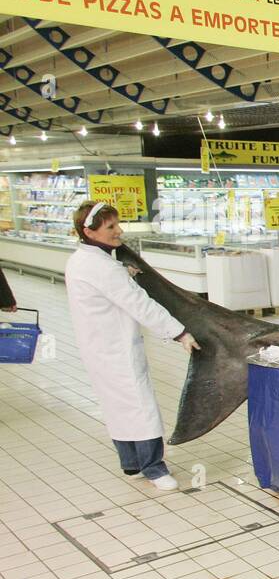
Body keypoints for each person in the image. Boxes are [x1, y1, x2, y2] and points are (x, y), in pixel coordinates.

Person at [65, 201, 201, 491]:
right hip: (117, 349)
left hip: (97, 348)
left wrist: (121, 271)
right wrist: (179, 333)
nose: (119, 231)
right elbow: (141, 305)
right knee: (141, 406)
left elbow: (105, 284)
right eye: (111, 227)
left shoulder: (81, 260)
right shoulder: (103, 269)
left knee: (116, 406)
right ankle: (154, 468)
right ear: (89, 231)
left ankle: (131, 464)